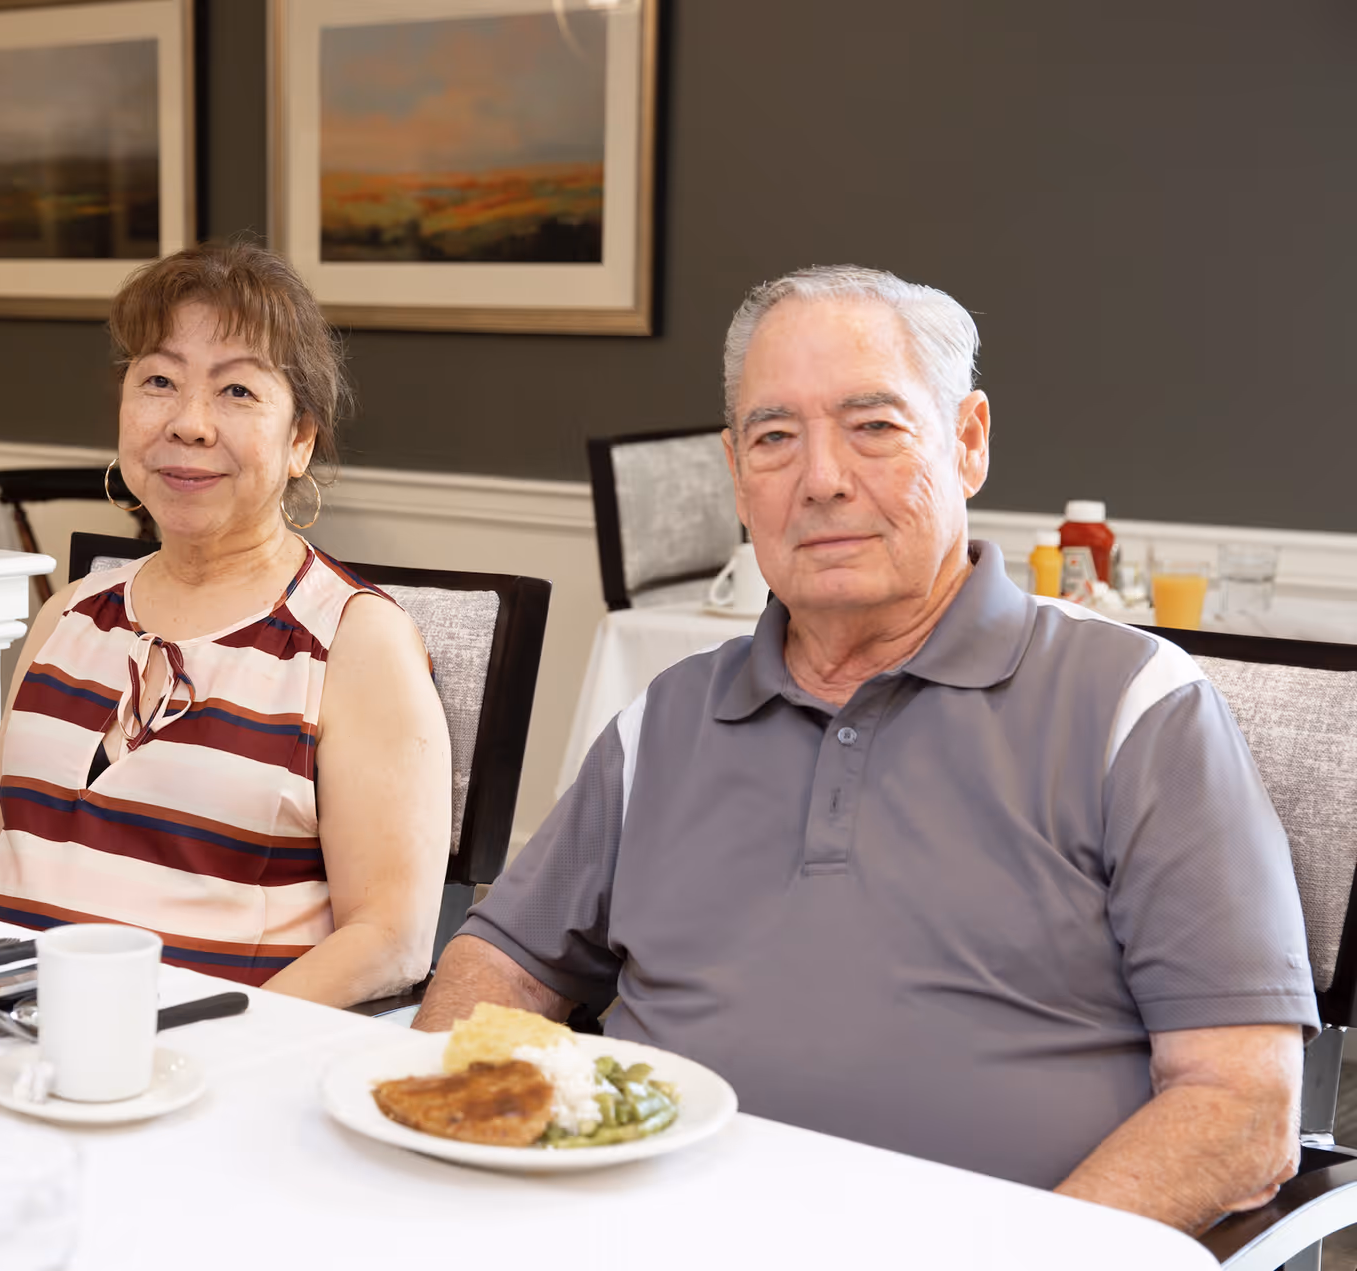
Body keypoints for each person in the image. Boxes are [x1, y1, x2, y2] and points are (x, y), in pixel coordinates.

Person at [415, 265, 1316, 1233]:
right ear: (736, 474)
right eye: (774, 438)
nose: (823, 478)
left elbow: (1242, 1108)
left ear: (968, 442)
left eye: (874, 426)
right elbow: (496, 960)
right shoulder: (665, 718)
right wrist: (449, 1144)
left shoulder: (1136, 710)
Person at [0, 242, 451, 1009]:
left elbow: (390, 939)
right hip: (8, 1047)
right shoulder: (68, 616)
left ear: (300, 440)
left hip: (215, 1077)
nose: (189, 423)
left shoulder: (354, 642)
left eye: (238, 390)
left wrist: (201, 1043)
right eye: (158, 381)